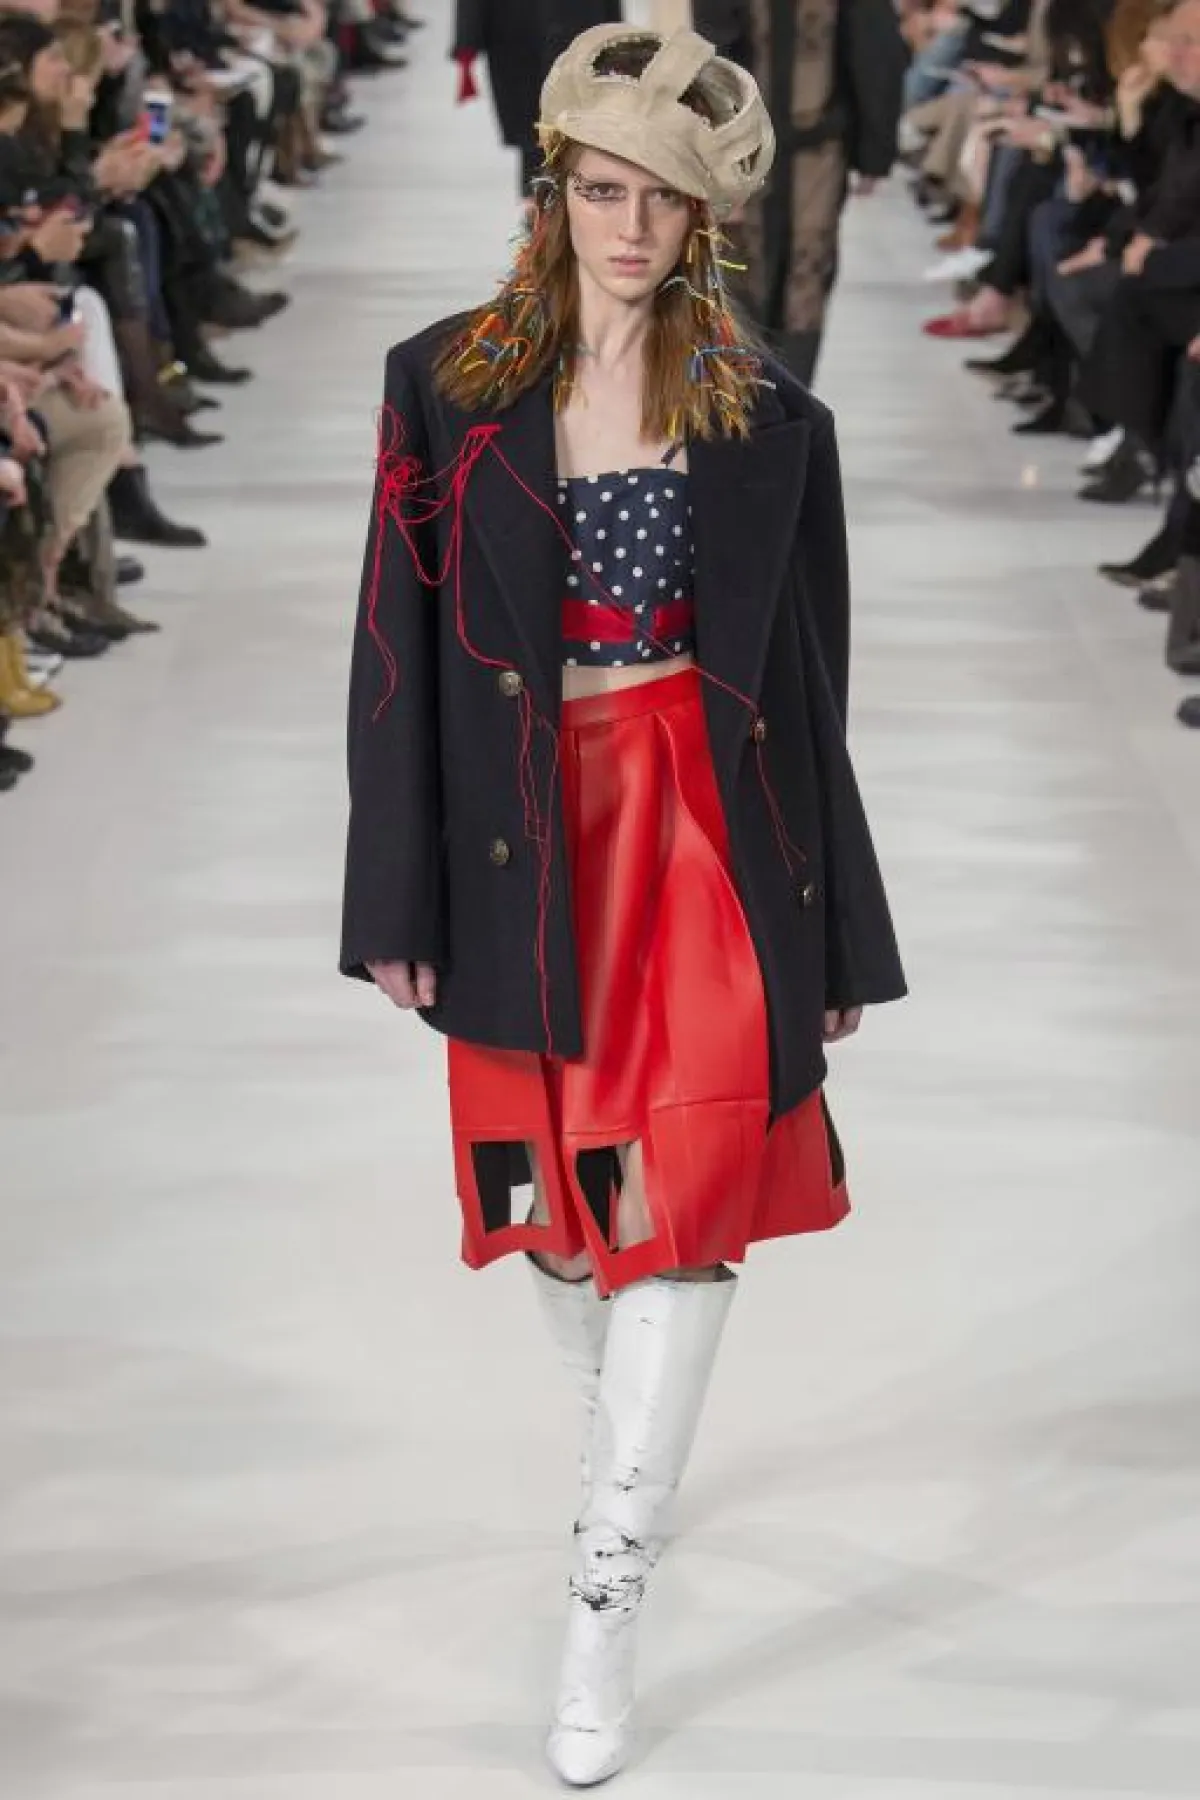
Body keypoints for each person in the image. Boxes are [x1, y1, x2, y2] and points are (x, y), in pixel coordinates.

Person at [340, 21, 905, 1786]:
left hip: (702, 831)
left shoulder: (768, 421)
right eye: (602, 191)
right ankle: (628, 1443)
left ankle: (607, 1583)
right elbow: (390, 653)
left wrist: (838, 927)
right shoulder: (446, 387)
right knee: (567, 1224)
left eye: (661, 200)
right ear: (555, 194)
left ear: (702, 219)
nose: (631, 228)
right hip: (522, 835)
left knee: (691, 1194)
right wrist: (391, 888)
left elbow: (808, 690)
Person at [693, 0, 909, 384]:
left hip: (750, 140)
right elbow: (876, 48)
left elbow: (712, 47)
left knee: (749, 268)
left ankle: (750, 399)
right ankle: (783, 400)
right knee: (800, 273)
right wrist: (874, 150)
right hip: (809, 142)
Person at [452, 0, 622, 198]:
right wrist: (467, 39)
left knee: (572, 132)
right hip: (518, 36)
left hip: (568, 32)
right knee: (535, 133)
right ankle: (541, 201)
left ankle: (554, 200)